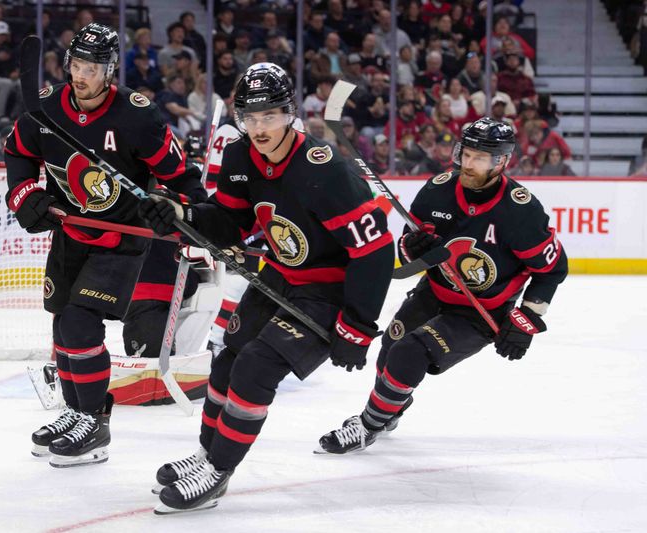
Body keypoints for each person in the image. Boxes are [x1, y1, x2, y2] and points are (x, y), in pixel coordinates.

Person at [139, 62, 395, 513]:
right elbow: (229, 222)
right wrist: (182, 215)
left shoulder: (327, 170)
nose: (258, 128)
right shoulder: (240, 156)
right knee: (227, 360)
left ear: (289, 114)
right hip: (279, 276)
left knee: (255, 368)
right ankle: (206, 454)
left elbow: (374, 252)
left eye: (269, 117)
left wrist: (357, 326)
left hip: (327, 292)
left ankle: (218, 472)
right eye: (250, 118)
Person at [3, 23, 205, 468]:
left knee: (79, 323)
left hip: (120, 240)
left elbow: (186, 181)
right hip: (71, 233)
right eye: (76, 64)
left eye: (92, 67)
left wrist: (168, 204)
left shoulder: (138, 115)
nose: (81, 75)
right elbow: (18, 151)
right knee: (61, 325)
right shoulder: (47, 107)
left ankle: (94, 423)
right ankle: (75, 411)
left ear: (110, 70)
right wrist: (26, 195)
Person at [316, 117, 568, 455]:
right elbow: (407, 246)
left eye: (480, 158)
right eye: (467, 154)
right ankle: (389, 411)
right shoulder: (439, 190)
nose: (469, 163)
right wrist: (415, 248)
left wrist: (526, 320)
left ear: (502, 162)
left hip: (481, 312)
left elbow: (553, 268)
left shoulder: (519, 210)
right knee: (392, 345)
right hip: (434, 291)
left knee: (410, 352)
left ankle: (368, 425)